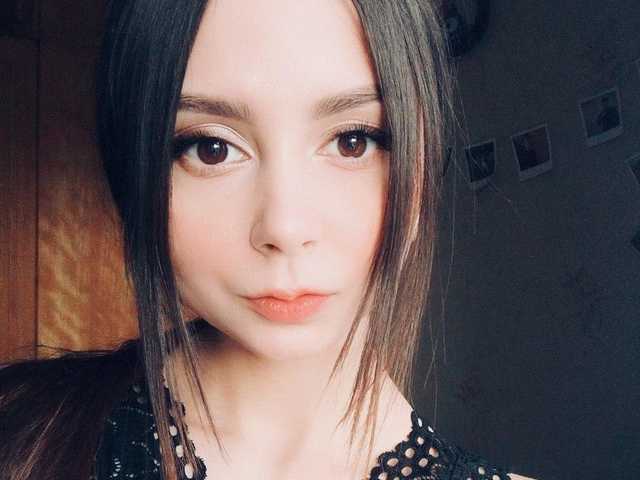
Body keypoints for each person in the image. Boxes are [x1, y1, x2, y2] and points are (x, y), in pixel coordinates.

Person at [0, 1, 537, 479]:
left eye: (352, 142)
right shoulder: (20, 433)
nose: (284, 228)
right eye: (211, 149)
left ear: (420, 160)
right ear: (134, 167)